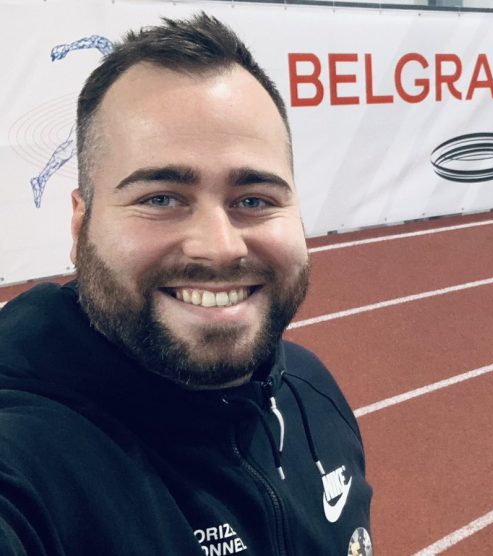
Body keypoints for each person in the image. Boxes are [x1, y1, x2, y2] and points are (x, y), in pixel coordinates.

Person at [0, 13, 373, 556]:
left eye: (254, 200)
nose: (220, 247)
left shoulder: (311, 391)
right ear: (81, 223)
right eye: (161, 198)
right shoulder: (25, 452)